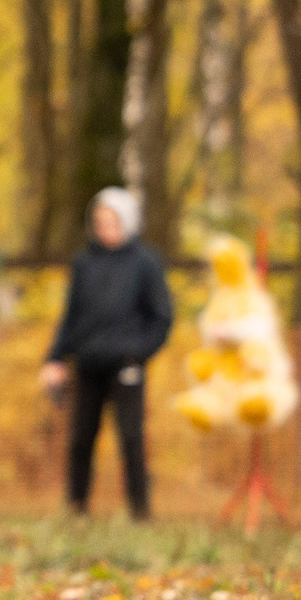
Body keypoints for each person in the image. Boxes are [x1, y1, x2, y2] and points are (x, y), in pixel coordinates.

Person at [40, 187, 173, 519]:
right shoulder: (84, 263)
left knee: (131, 439)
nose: (104, 229)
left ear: (127, 222)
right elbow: (70, 316)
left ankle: (140, 512)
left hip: (127, 366)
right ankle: (77, 508)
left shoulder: (145, 263)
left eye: (111, 222)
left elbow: (162, 318)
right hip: (87, 364)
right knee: (81, 438)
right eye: (99, 222)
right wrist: (55, 358)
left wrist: (138, 353)